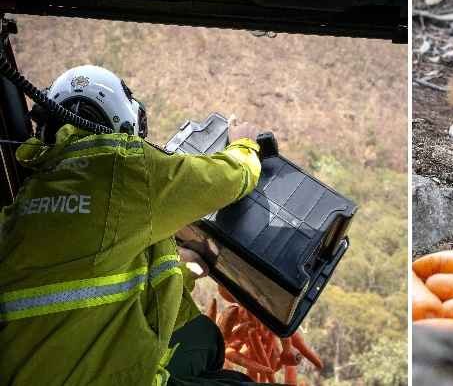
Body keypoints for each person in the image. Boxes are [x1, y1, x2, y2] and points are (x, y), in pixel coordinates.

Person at [0, 65, 268, 385]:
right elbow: (227, 179)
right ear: (123, 120)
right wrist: (245, 147)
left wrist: (191, 267)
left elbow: (95, 274)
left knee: (205, 338)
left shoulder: (29, 195)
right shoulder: (121, 168)